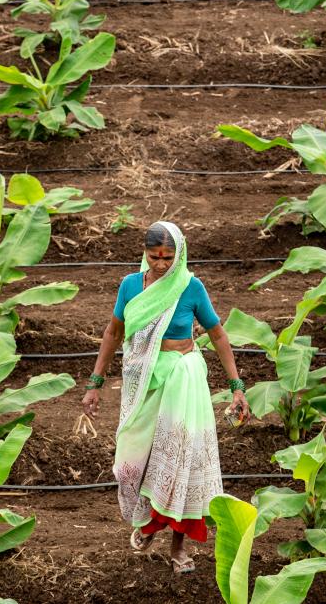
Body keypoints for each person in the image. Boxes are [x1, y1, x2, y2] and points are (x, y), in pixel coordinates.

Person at [82, 221, 250, 574]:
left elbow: (218, 335)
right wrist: (95, 382)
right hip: (145, 380)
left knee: (180, 463)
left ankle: (177, 545)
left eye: (168, 258)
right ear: (145, 253)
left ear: (180, 254)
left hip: (183, 380)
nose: (161, 264)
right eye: (155, 257)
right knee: (134, 459)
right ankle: (148, 523)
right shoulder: (131, 286)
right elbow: (114, 331)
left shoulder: (190, 287)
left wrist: (237, 387)